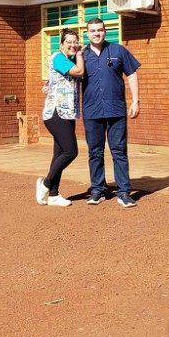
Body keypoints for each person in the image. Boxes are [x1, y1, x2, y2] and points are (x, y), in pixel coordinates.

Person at [80, 17, 141, 207]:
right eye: (92, 30)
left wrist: (135, 101)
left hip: (116, 110)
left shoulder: (118, 50)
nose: (96, 33)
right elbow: (65, 71)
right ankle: (98, 190)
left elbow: (132, 75)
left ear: (105, 31)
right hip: (92, 110)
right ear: (87, 33)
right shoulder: (81, 55)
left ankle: (124, 192)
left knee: (119, 152)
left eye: (100, 30)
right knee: (95, 153)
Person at [36, 27, 85, 207]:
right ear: (62, 44)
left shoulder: (68, 60)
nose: (73, 45)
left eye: (75, 42)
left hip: (67, 113)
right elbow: (79, 72)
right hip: (56, 113)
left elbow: (53, 81)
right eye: (69, 42)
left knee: (59, 153)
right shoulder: (58, 57)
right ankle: (46, 185)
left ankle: (54, 195)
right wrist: (80, 53)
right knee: (71, 152)